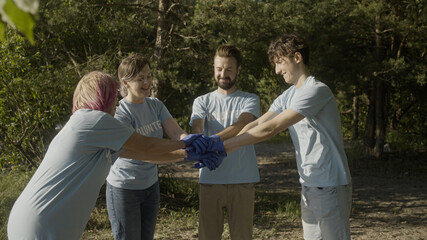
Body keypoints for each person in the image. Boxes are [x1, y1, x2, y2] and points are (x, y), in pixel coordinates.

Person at [7, 71, 209, 240]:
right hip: (44, 222)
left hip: (38, 219)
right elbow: (146, 145)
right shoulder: (94, 120)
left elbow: (144, 155)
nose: (117, 103)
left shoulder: (95, 131)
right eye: (114, 96)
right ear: (103, 97)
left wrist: (188, 155)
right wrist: (186, 143)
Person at [217, 33, 352, 239]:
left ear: (297, 58)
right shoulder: (289, 94)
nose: (277, 70)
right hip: (309, 183)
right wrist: (219, 143)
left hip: (330, 185)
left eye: (280, 63)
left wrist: (224, 149)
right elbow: (259, 122)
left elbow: (272, 128)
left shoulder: (316, 90)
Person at [105, 54, 193, 240]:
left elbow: (177, 133)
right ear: (125, 83)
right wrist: (185, 152)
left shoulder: (156, 105)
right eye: (140, 78)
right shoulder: (120, 114)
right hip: (124, 189)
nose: (147, 82)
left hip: (150, 186)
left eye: (149, 76)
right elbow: (143, 152)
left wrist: (192, 140)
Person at [190, 45, 260, 240]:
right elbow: (197, 128)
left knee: (242, 236)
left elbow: (241, 125)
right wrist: (198, 139)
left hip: (242, 180)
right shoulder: (201, 101)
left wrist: (213, 141)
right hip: (210, 180)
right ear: (213, 68)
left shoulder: (250, 99)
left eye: (229, 69)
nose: (223, 74)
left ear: (238, 70)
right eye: (219, 68)